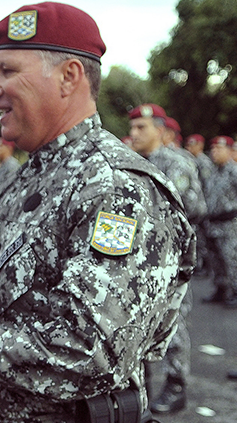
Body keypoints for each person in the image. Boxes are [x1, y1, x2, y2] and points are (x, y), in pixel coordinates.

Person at [0, 3, 195, 422]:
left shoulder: (118, 188)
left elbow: (90, 353)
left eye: (8, 71)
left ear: (69, 77)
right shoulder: (30, 178)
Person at [128, 104, 205, 414]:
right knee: (139, 325)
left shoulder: (175, 163)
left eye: (141, 128)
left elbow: (194, 209)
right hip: (139, 260)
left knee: (172, 325)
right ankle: (141, 389)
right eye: (132, 128)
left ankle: (177, 384)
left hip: (169, 260)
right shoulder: (132, 162)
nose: (134, 134)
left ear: (160, 131)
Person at [201, 135, 237, 310]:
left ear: (230, 151)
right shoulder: (213, 172)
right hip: (213, 223)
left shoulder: (234, 171)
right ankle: (221, 289)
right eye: (213, 149)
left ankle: (236, 291)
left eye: (219, 149)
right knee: (216, 259)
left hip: (229, 224)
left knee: (231, 259)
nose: (215, 152)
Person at [184, 134, 216, 276]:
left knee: (204, 239)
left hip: (205, 205)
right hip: (199, 203)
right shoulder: (191, 160)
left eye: (193, 144)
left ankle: (206, 266)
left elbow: (208, 186)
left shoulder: (204, 162)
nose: (189, 147)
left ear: (200, 146)